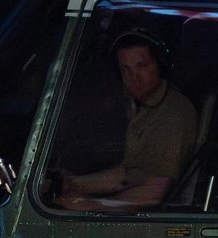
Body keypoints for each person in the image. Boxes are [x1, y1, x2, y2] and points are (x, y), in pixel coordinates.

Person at [53, 29, 198, 211]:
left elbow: (155, 192)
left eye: (142, 66)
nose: (134, 77)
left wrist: (89, 205)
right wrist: (69, 183)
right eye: (126, 69)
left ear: (160, 66)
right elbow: (126, 175)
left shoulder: (174, 114)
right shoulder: (141, 107)